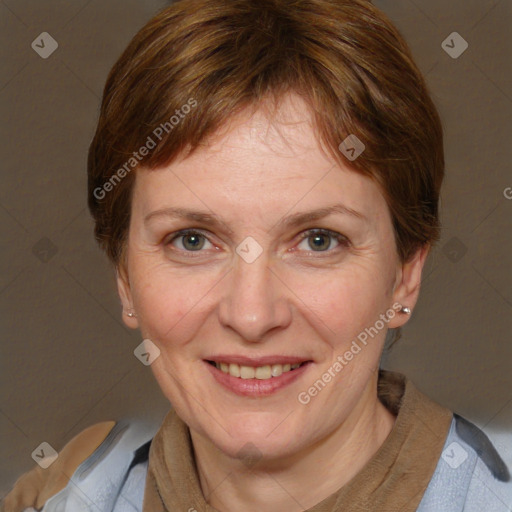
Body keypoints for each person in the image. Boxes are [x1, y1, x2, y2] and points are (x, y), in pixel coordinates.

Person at [3, 0, 511, 511]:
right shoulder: (57, 496)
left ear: (405, 275)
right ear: (125, 277)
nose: (251, 315)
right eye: (192, 240)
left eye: (318, 240)